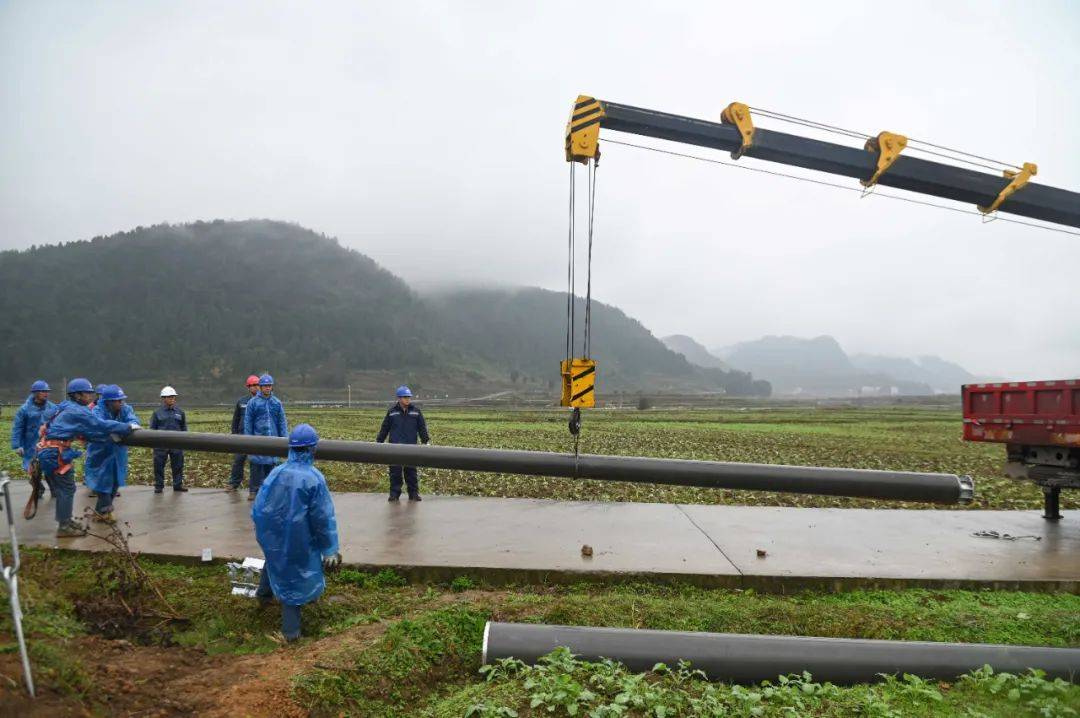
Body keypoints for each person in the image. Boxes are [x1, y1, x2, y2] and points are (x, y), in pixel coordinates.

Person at [252, 423, 340, 642]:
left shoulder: (276, 473)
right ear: (312, 449)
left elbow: (259, 508)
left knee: (274, 561)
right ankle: (291, 635)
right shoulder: (314, 478)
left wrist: (267, 534)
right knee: (294, 582)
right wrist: (330, 548)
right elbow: (323, 518)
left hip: (275, 537)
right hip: (300, 540)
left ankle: (263, 597)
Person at [35, 378, 138, 537]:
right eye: (87, 393)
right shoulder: (79, 411)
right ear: (77, 395)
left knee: (67, 488)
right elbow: (100, 425)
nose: (90, 396)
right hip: (55, 452)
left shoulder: (65, 406)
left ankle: (67, 521)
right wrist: (127, 427)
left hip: (48, 450)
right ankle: (64, 526)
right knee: (66, 489)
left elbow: (86, 431)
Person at [83, 385, 140, 522]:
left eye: (122, 400)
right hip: (100, 452)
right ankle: (106, 511)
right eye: (117, 400)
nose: (121, 402)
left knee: (115, 482)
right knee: (101, 482)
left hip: (118, 452)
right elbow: (101, 424)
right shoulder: (97, 410)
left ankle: (99, 513)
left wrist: (126, 426)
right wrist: (123, 428)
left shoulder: (125, 409)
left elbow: (133, 420)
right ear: (108, 401)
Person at [376, 385, 430, 502]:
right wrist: (379, 441)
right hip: (395, 448)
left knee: (411, 472)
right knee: (395, 473)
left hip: (411, 447)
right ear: (399, 398)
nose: (407, 399)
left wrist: (425, 440)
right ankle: (394, 494)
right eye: (405, 397)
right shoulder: (392, 412)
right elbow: (385, 428)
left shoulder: (416, 412)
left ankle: (413, 494)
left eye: (409, 397)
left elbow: (422, 427)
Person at [243, 374, 287, 501]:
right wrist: (248, 440)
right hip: (257, 440)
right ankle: (253, 491)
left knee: (271, 467)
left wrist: (284, 440)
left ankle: (269, 491)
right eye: (265, 386)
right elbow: (248, 422)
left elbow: (282, 422)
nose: (267, 388)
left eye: (269, 386)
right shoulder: (253, 403)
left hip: (273, 439)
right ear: (260, 387)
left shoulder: (276, 403)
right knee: (256, 466)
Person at [11, 380, 55, 474]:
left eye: (47, 391)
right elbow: (18, 428)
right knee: (32, 469)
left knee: (50, 468)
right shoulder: (24, 410)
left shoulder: (53, 408)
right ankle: (37, 487)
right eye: (43, 391)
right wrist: (17, 446)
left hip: (48, 442)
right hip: (30, 444)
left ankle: (53, 486)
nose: (46, 393)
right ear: (35, 393)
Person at [150, 386, 189, 493]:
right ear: (164, 398)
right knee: (158, 466)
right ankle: (159, 486)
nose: (172, 399)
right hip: (161, 445)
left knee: (178, 466)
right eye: (170, 397)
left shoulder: (180, 412)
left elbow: (184, 428)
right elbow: (152, 429)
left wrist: (184, 442)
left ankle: (178, 485)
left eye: (173, 397)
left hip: (176, 444)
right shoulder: (157, 413)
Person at [228, 375, 261, 492]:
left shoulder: (262, 401)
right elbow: (235, 419)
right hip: (242, 437)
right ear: (248, 387)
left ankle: (254, 489)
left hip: (256, 437)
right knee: (238, 461)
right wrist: (234, 434)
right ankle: (233, 483)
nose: (254, 387)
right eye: (252, 385)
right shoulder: (241, 402)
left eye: (256, 385)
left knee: (255, 463)